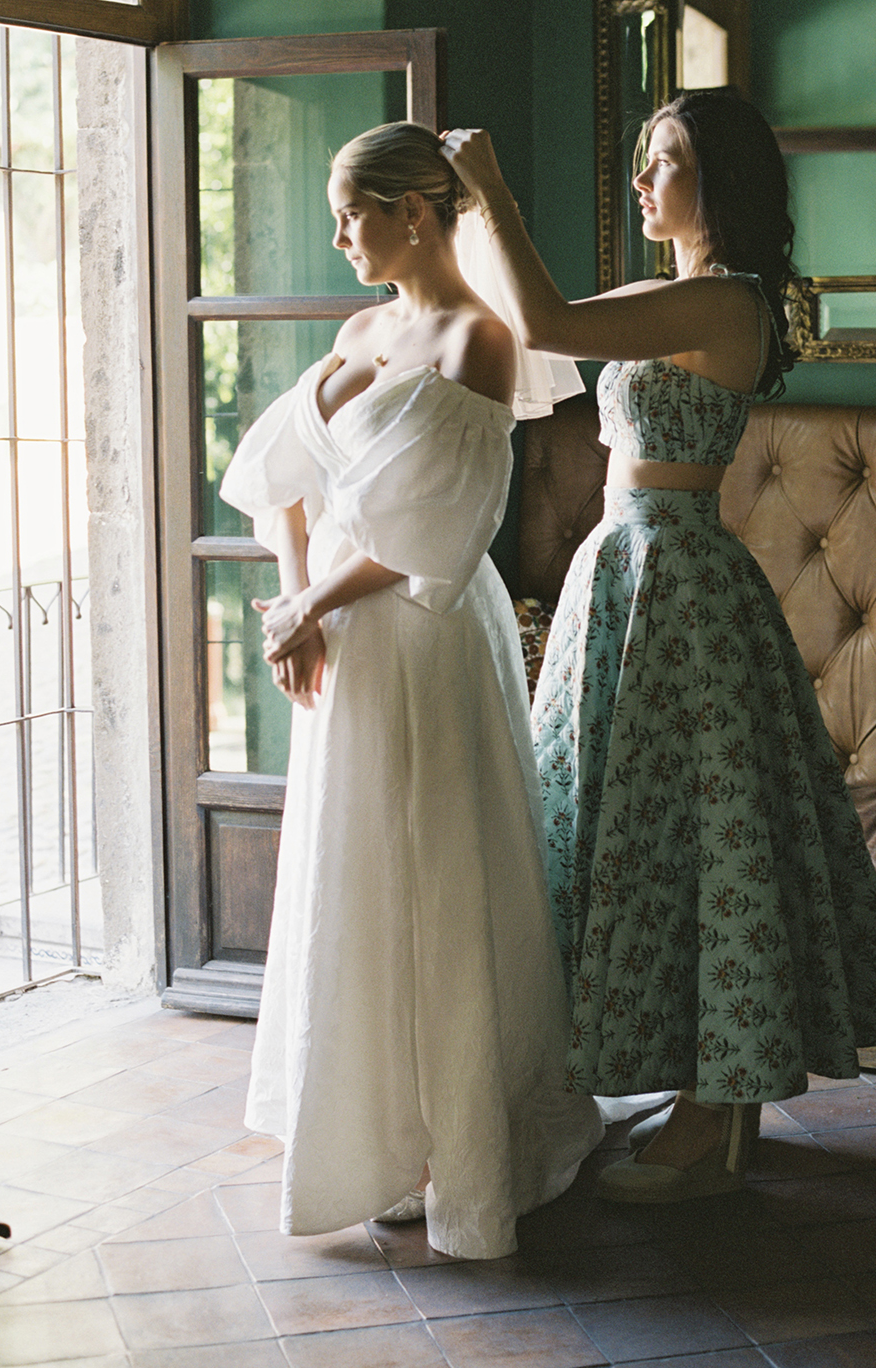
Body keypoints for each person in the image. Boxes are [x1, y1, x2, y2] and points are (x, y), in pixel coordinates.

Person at [442, 87, 876, 1204]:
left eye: (667, 162)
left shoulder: (730, 305)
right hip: (625, 576)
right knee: (620, 833)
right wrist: (457, 227)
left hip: (680, 587)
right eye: (643, 162)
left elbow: (552, 322)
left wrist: (499, 194)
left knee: (699, 846)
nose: (643, 181)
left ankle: (717, 1107)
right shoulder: (678, 294)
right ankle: (697, 1085)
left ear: (726, 183)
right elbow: (531, 319)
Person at [219, 121, 602, 1260]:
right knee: (359, 878)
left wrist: (313, 607)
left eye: (354, 213)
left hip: (426, 638)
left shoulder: (479, 342)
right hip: (344, 645)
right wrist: (294, 607)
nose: (340, 236)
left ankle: (460, 1149)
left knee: (437, 874)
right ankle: (377, 1135)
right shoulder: (358, 331)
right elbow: (274, 475)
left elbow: (438, 529)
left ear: (418, 213)